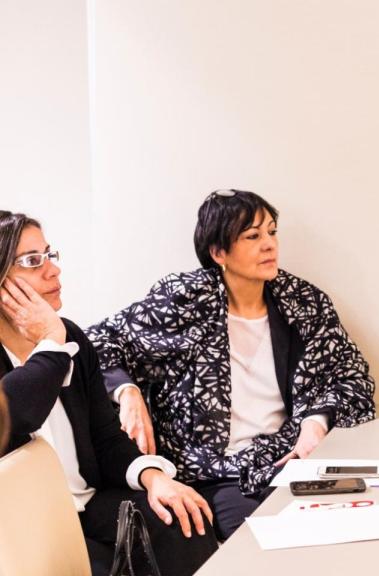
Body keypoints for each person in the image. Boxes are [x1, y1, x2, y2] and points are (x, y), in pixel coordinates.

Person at [87, 189, 376, 540]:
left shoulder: (302, 303)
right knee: (262, 545)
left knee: (351, 529)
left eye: (272, 232)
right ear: (218, 252)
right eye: (252, 236)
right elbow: (98, 341)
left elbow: (351, 376)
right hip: (216, 473)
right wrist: (127, 391)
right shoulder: (185, 301)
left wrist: (316, 421)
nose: (269, 245)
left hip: (289, 461)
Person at [0, 210, 218, 576]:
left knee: (186, 522)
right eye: (32, 261)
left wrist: (155, 477)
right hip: (24, 525)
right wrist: (51, 342)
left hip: (86, 503)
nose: (53, 271)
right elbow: (20, 413)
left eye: (49, 256)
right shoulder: (59, 339)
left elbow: (105, 438)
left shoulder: (72, 338)